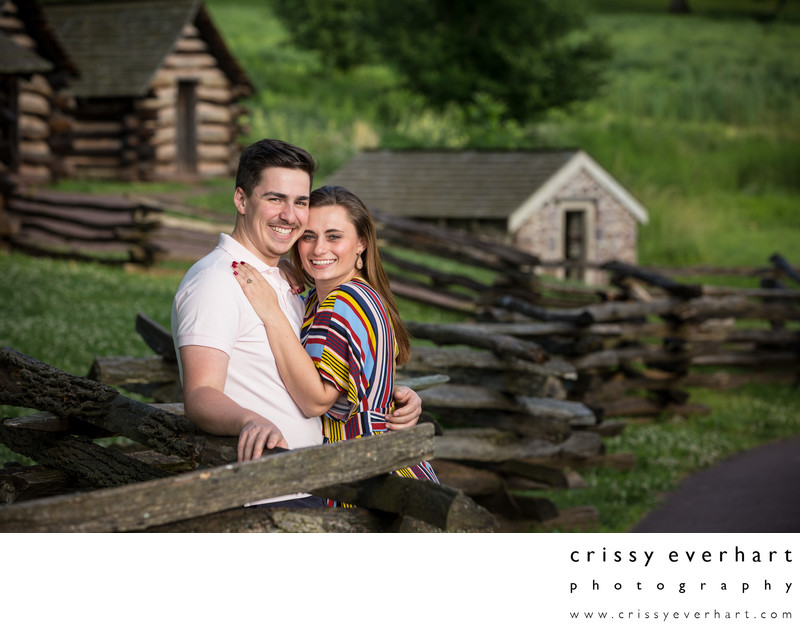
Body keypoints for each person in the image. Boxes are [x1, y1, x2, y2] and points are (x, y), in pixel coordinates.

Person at [171, 139, 422, 508]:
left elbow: (335, 372)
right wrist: (247, 421)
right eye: (275, 199)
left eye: (300, 202)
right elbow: (200, 394)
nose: (289, 215)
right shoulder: (217, 280)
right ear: (241, 200)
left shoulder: (289, 286)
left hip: (316, 485)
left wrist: (391, 399)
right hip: (267, 491)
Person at [232, 185, 438, 506]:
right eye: (308, 236)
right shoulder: (328, 297)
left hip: (367, 475)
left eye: (333, 236)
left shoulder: (344, 300)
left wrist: (271, 311)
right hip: (382, 464)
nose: (318, 249)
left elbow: (316, 401)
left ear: (362, 244)